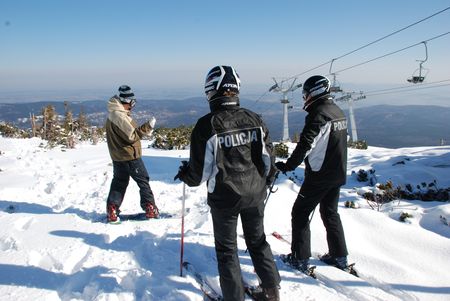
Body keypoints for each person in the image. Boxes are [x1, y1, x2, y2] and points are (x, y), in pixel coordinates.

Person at [175, 66, 281, 301]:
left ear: (211, 90)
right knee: (258, 241)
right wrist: (264, 181)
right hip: (255, 193)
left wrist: (185, 174)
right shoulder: (255, 118)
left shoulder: (207, 125)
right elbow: (268, 158)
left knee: (227, 251)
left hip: (225, 198)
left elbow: (199, 174)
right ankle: (272, 292)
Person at [275, 75, 349, 273]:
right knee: (330, 213)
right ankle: (339, 256)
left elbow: (305, 145)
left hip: (320, 175)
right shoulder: (337, 111)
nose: (304, 97)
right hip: (337, 173)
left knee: (300, 213)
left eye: (305, 93)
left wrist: (288, 166)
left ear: (314, 92)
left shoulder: (319, 114)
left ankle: (299, 259)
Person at [105, 85, 159, 223]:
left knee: (119, 182)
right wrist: (148, 126)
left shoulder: (113, 114)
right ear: (126, 101)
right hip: (130, 156)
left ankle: (112, 208)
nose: (132, 106)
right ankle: (150, 208)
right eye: (132, 102)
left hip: (118, 157)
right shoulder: (119, 116)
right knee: (143, 180)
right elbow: (132, 136)